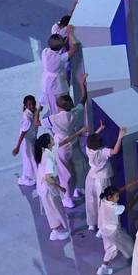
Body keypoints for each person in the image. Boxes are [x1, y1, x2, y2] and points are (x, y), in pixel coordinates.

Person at [46, 74, 90, 209]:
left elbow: (38, 123)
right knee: (76, 168)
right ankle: (76, 189)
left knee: (65, 174)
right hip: (74, 145)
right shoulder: (75, 113)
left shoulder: (54, 119)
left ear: (59, 106)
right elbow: (83, 99)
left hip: (62, 149)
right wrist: (82, 84)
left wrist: (37, 111)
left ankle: (67, 197)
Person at [85, 123, 125, 234]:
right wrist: (120, 137)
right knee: (102, 203)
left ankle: (92, 224)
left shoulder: (89, 149)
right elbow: (115, 151)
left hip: (90, 178)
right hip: (101, 180)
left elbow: (91, 140)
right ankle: (101, 227)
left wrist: (100, 129)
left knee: (91, 200)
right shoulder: (103, 152)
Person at [34, 133, 72, 241]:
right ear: (49, 143)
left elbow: (63, 142)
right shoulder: (48, 158)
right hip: (48, 188)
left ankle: (55, 230)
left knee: (50, 209)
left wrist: (79, 132)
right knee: (55, 208)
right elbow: (48, 178)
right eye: (51, 138)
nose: (53, 138)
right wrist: (60, 188)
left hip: (42, 186)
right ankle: (58, 230)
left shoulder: (46, 151)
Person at [98, 183, 138, 275]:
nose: (118, 198)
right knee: (129, 242)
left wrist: (128, 186)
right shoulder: (114, 207)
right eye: (117, 196)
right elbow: (128, 206)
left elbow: (117, 191)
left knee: (111, 249)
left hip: (105, 231)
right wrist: (137, 196)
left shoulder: (103, 200)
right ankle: (135, 261)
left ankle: (103, 268)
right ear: (110, 197)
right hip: (114, 232)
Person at [40, 27, 78, 118]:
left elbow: (56, 46)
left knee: (52, 107)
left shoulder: (45, 52)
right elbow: (75, 47)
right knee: (61, 108)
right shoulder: (60, 58)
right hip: (57, 86)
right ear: (61, 46)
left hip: (46, 83)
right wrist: (70, 33)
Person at [12, 95, 42, 187]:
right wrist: (17, 147)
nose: (32, 106)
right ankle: (26, 178)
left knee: (33, 157)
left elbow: (38, 110)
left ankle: (34, 176)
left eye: (33, 104)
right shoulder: (27, 120)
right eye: (29, 105)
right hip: (26, 141)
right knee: (29, 159)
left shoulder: (34, 112)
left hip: (32, 138)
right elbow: (23, 134)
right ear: (25, 105)